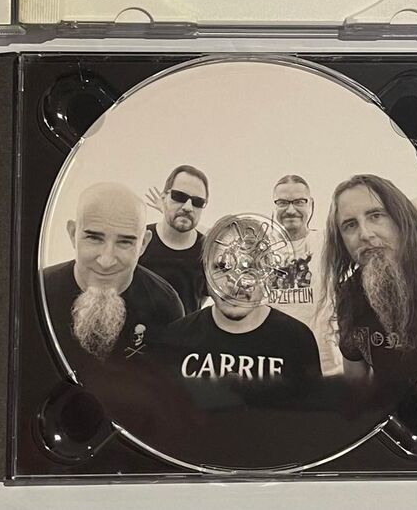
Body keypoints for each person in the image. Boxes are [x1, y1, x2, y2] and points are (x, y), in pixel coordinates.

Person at [161, 215, 322, 394]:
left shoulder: (297, 340)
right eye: (222, 267)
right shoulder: (176, 337)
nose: (235, 284)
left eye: (250, 268)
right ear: (205, 271)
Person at [322, 174, 417, 384]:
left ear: (401, 218)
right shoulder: (350, 293)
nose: (365, 234)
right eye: (350, 225)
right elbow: (356, 383)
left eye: (376, 215)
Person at [42, 181, 184, 367]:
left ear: (143, 244)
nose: (106, 260)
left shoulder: (165, 306)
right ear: (72, 234)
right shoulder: (36, 291)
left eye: (124, 242)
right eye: (94, 238)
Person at [267, 175, 342, 376]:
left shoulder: (329, 242)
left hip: (325, 369)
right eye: (282, 202)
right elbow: (215, 238)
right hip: (274, 368)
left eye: (299, 201)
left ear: (311, 205)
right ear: (274, 206)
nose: (291, 210)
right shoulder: (260, 248)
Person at [140, 165, 211, 313]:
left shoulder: (208, 251)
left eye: (198, 202)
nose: (188, 207)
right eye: (179, 196)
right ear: (163, 198)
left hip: (185, 328)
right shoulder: (140, 240)